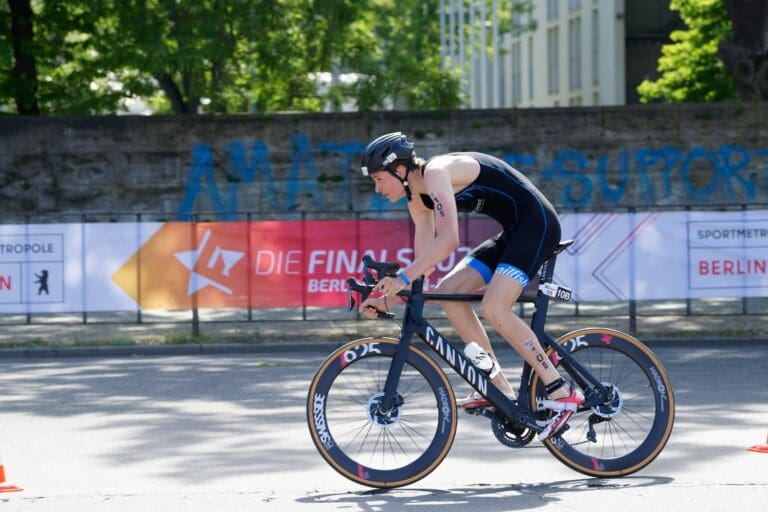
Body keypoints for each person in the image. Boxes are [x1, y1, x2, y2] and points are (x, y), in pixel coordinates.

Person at [358, 131, 583, 440]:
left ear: (399, 170)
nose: (377, 188)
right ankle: (499, 388)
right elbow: (423, 262)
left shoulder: (436, 172)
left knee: (494, 307)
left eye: (379, 179)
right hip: (513, 233)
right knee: (449, 294)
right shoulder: (416, 199)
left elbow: (449, 240)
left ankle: (560, 389)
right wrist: (390, 298)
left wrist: (402, 279)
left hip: (537, 225)